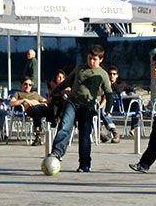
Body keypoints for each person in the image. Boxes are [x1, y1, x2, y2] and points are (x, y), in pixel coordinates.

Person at [48, 44, 112, 173]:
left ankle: (84, 164)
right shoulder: (80, 68)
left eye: (94, 59)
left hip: (87, 107)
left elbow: (108, 92)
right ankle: (57, 153)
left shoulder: (103, 74)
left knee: (84, 135)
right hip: (72, 102)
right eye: (89, 58)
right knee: (65, 126)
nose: (91, 61)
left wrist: (108, 108)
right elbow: (67, 82)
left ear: (101, 60)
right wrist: (54, 91)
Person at [9, 76, 48, 146]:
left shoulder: (35, 94)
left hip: (40, 107)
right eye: (25, 84)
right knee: (37, 111)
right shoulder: (18, 94)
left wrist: (37, 102)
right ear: (21, 85)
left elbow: (46, 101)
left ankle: (55, 132)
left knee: (49, 110)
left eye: (30, 85)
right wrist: (24, 100)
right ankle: (38, 135)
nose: (28, 86)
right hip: (30, 109)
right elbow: (11, 103)